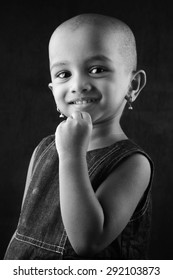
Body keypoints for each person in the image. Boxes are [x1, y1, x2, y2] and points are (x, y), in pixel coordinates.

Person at [4, 13, 154, 260]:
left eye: (97, 69)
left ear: (133, 85)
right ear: (53, 90)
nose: (78, 84)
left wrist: (72, 155)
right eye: (64, 74)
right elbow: (22, 231)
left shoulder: (133, 164)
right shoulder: (44, 149)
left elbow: (87, 241)